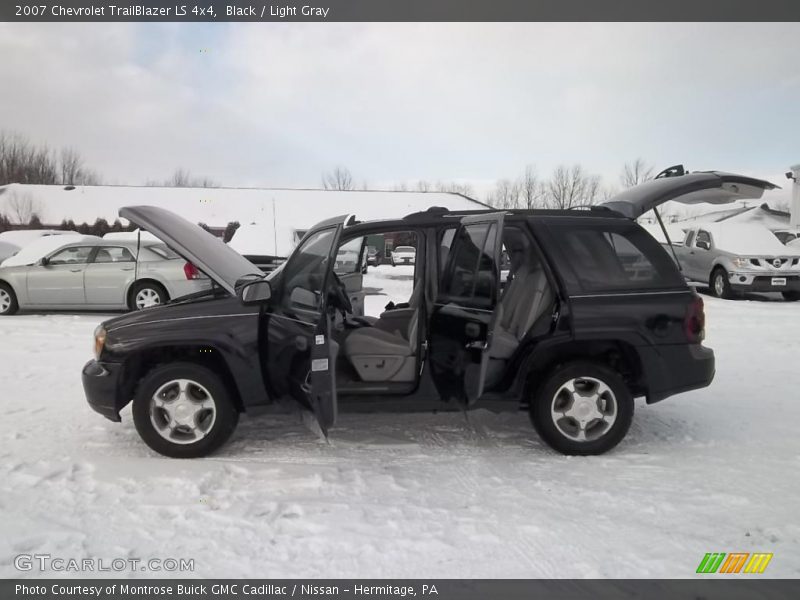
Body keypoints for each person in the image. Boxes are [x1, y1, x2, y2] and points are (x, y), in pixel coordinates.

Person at [491, 229, 553, 359]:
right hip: (508, 328)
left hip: (517, 338)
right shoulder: (524, 273)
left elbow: (527, 321)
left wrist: (514, 332)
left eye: (522, 250)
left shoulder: (538, 278)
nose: (521, 255)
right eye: (515, 251)